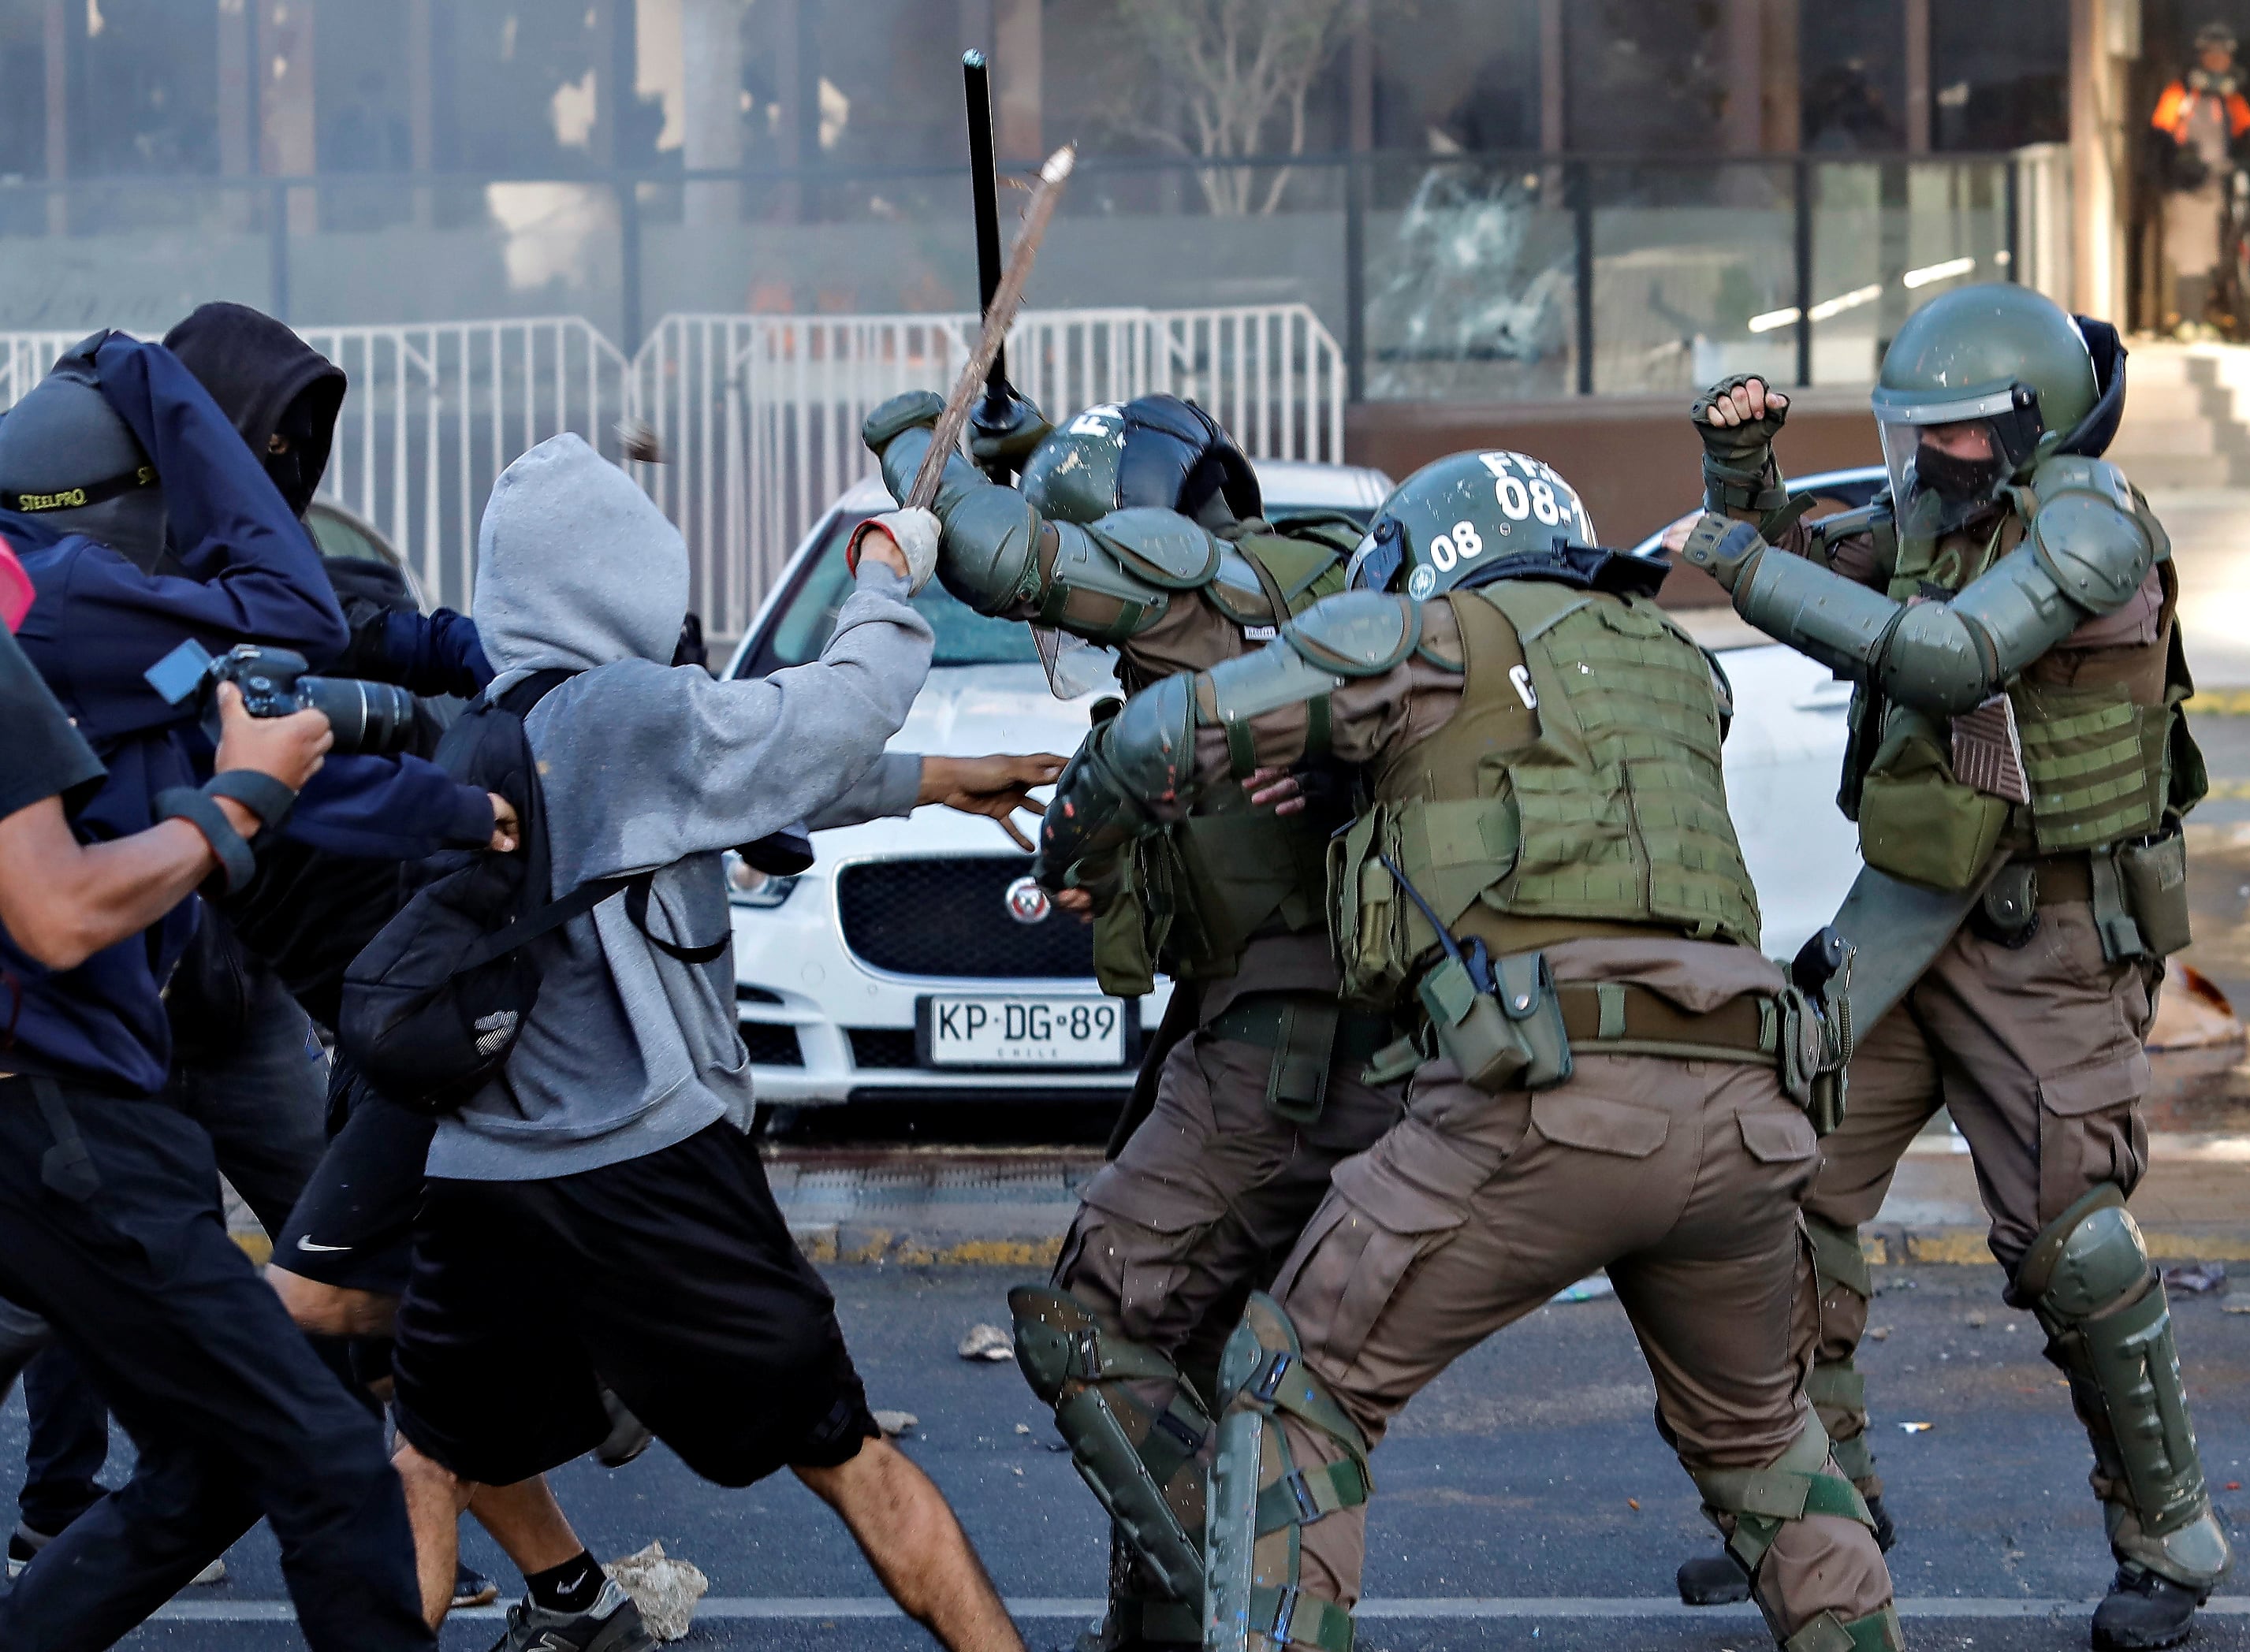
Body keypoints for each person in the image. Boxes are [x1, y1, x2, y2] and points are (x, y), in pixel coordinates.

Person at [1030, 450, 1901, 1652]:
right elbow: (1517, 794)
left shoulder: (1427, 635)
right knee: (1765, 1449)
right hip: (1752, 1110)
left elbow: (1168, 734)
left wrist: (1066, 849)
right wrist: (1347, 787)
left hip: (1550, 1100)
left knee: (1293, 1384)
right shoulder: (1673, 666)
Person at [386, 433, 1037, 1652]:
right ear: (623, 579)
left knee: (428, 1460)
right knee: (848, 1459)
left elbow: (742, 770)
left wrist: (937, 781)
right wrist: (886, 573)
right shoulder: (626, 713)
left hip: (479, 1175)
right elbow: (830, 714)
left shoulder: (482, 728)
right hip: (647, 1168)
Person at [1676, 282, 2228, 1652]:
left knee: (2076, 1249)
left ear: (2031, 428)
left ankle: (2170, 1537)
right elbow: (1814, 543)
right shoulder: (1944, 508)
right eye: (1920, 434)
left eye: (1964, 435)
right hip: (1908, 908)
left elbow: (1951, 653)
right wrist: (1741, 474)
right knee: (1784, 1184)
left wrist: (1746, 575)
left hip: (2048, 935)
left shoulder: (2092, 524)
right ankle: (1820, 1508)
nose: (1932, 460)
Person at [862, 387, 1410, 1652]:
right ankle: (1170, 1631)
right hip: (1310, 1036)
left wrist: (919, 446)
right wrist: (1030, 445)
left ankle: (1224, 1620)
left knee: (1098, 1323)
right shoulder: (1301, 581)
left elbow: (1009, 565)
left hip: (1283, 1051)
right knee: (1197, 1351)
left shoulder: (1201, 605)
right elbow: (1106, 502)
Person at [0, 354, 435, 1648]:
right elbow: (62, 907)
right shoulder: (47, 603)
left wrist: (467, 807)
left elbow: (254, 737)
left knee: (226, 1458)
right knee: (327, 1458)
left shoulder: (70, 637)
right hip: (61, 1119)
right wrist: (236, 806)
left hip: (83, 1119)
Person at [2149, 22, 2250, 332]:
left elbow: (2248, 124)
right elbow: (2161, 130)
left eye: (2224, 54)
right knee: (2191, 251)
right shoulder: (2181, 91)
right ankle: (2189, 320)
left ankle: (2204, 316)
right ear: (2201, 55)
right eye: (2212, 53)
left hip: (2217, 180)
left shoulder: (2228, 96)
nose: (2219, 60)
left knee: (2211, 250)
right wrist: (2180, 160)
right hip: (2187, 183)